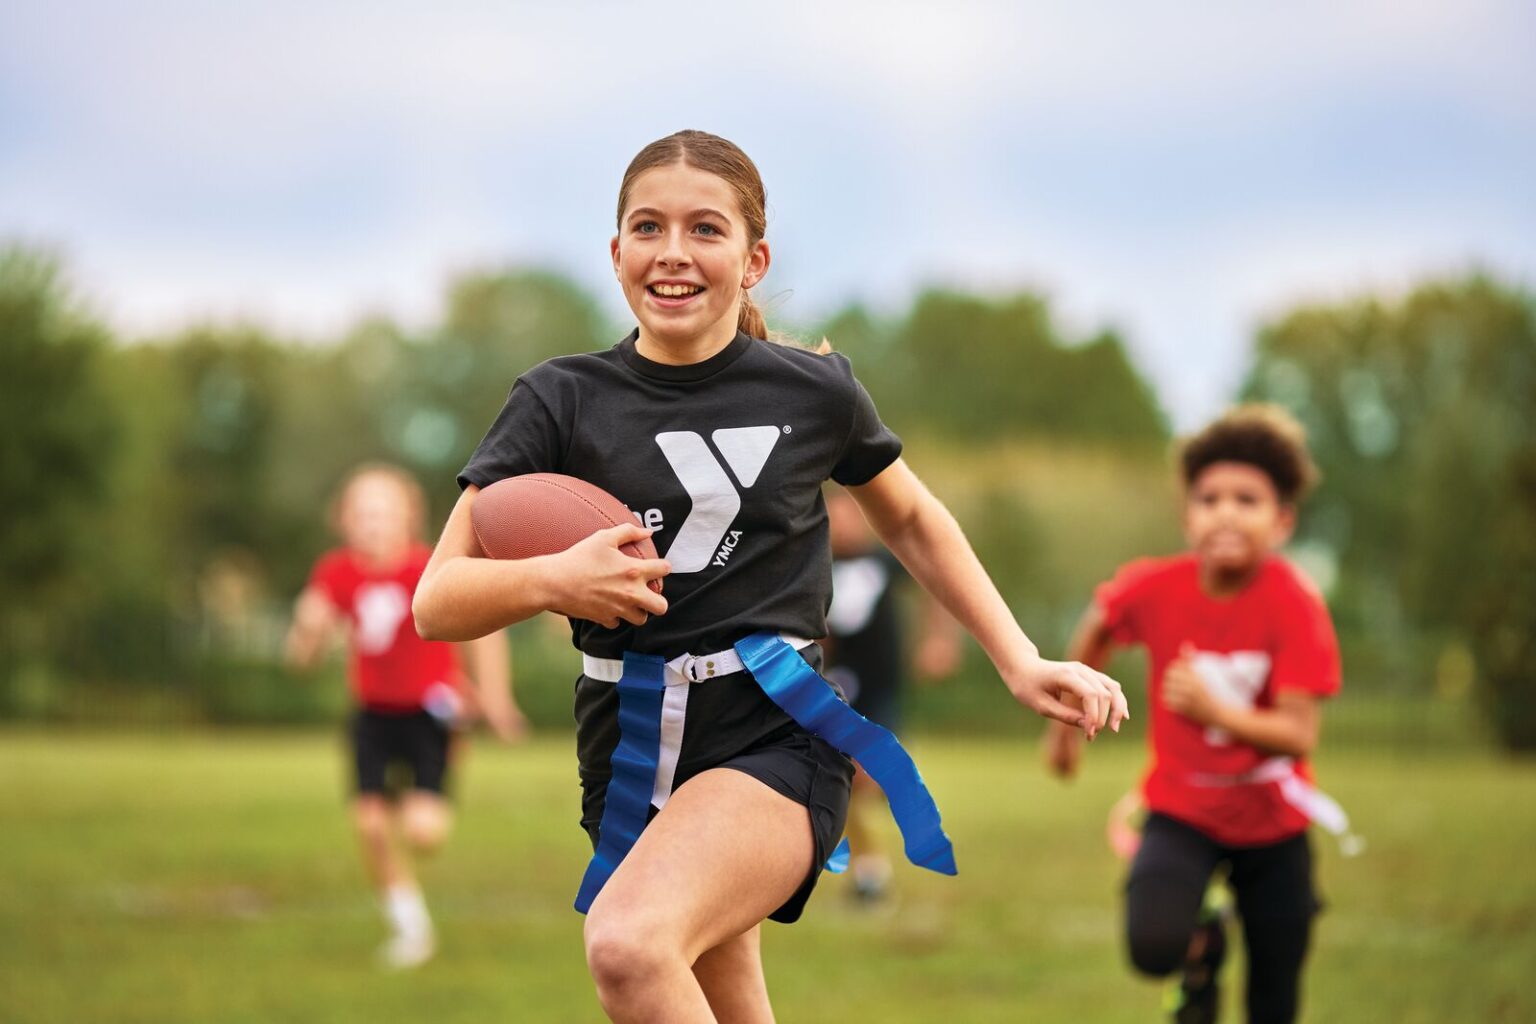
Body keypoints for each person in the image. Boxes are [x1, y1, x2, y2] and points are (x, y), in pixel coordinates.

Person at [412, 129, 1128, 1023]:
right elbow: (437, 602)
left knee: (631, 947)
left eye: (705, 230)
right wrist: (555, 579)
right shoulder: (557, 400)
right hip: (629, 745)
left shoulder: (813, 391)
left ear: (753, 260)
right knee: (725, 995)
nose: (673, 252)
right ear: (615, 252)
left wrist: (1019, 659)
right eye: (648, 227)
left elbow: (911, 516)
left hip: (774, 732)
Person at [1045, 404, 1342, 1024]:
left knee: (1274, 998)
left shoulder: (1295, 604)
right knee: (1154, 947)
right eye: (1209, 499)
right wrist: (1066, 725)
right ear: (1188, 517)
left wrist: (1217, 711)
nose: (1226, 511)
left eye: (1247, 499)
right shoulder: (1158, 587)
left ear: (1282, 521)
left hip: (1273, 819)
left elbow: (1297, 734)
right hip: (1182, 807)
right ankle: (1200, 952)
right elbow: (1099, 623)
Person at [286, 463, 526, 969]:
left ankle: (417, 799)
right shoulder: (336, 572)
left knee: (423, 834)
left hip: (429, 714)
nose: (371, 524)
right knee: (371, 825)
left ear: (409, 518)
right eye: (361, 514)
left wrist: (496, 699)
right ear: (344, 520)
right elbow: (301, 658)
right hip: (372, 715)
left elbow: (485, 630)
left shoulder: (429, 567)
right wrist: (306, 633)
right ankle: (409, 926)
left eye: (383, 513)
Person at [822, 485, 961, 903]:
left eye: (848, 514)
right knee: (839, 778)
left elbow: (936, 581)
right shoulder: (816, 566)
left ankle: (894, 799)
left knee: (866, 780)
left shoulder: (884, 560)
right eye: (833, 515)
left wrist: (939, 640)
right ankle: (869, 868)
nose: (842, 524)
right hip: (840, 683)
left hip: (883, 686)